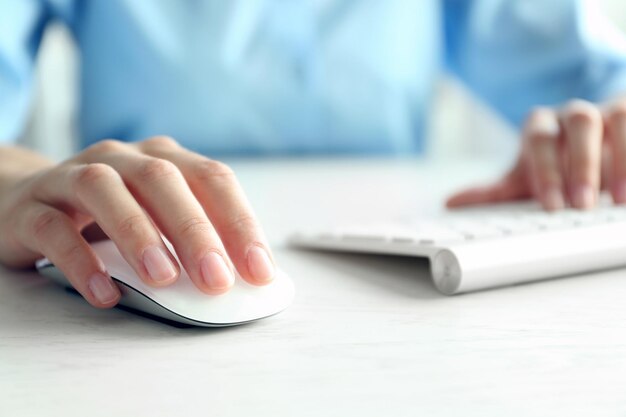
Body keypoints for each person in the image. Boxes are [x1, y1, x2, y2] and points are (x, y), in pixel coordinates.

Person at [1, 0, 626, 308]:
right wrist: (16, 182)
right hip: (131, 242)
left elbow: (588, 75)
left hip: (390, 275)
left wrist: (602, 130)